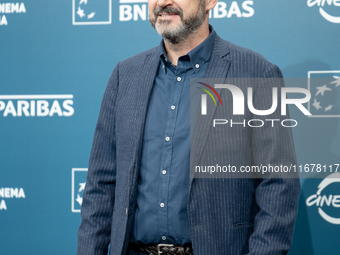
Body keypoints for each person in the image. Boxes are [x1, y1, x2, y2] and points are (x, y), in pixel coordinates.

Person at [77, 0, 300, 254]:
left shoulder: (256, 73)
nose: (162, 2)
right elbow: (100, 184)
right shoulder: (124, 75)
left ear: (211, 2)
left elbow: (279, 184)